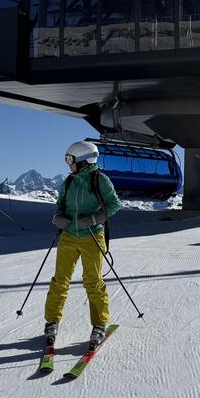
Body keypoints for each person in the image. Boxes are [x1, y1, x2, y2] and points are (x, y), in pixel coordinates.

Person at [44, 141, 121, 347]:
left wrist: (95, 219)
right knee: (60, 280)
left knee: (93, 281)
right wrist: (57, 218)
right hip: (68, 236)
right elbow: (60, 205)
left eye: (70, 160)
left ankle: (99, 323)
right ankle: (52, 321)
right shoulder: (69, 182)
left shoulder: (100, 180)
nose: (68, 165)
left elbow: (114, 204)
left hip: (92, 236)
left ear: (84, 161)